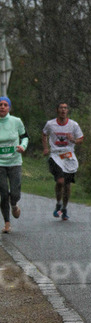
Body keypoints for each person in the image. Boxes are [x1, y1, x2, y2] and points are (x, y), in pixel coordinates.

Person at [42, 102, 84, 221]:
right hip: (55, 155)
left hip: (68, 155)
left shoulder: (73, 125)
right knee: (60, 181)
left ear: (67, 111)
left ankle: (64, 209)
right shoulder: (50, 124)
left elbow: (81, 138)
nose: (63, 110)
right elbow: (44, 134)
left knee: (67, 184)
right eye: (61, 108)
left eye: (65, 108)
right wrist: (45, 148)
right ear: (57, 110)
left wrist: (73, 140)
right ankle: (58, 203)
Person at [0, 96, 29, 233]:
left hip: (15, 162)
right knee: (3, 193)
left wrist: (23, 146)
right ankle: (7, 223)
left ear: (9, 108)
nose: (2, 107)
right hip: (0, 163)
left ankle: (14, 204)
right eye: (0, 105)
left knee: (15, 192)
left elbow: (25, 137)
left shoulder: (16, 121)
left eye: (5, 105)